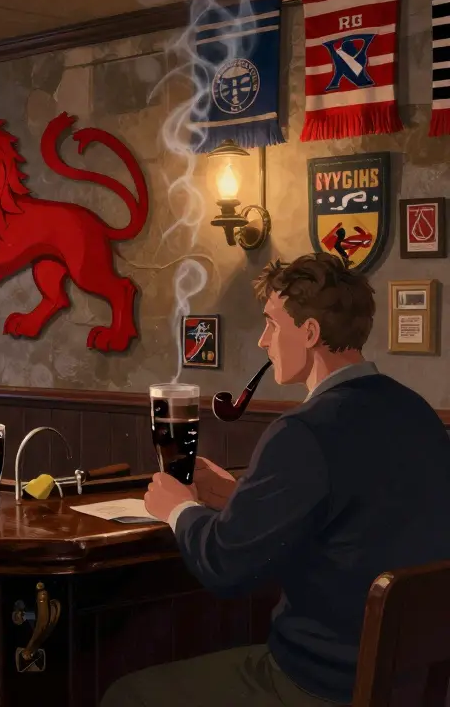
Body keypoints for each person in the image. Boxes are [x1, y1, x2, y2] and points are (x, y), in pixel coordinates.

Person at [104, 253, 450, 707]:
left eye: (271, 323)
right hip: (410, 685)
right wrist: (242, 499)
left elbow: (224, 567)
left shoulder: (304, 431)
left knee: (126, 695)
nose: (263, 340)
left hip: (318, 685)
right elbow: (360, 522)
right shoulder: (417, 413)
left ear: (309, 333)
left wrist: (177, 508)